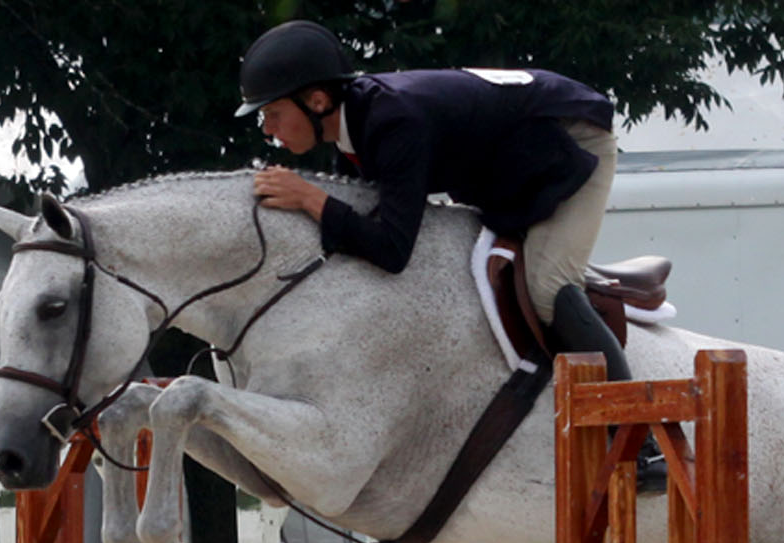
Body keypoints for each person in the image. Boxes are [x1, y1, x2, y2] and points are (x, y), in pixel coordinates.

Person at [238, 20, 633, 387]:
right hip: (518, 161)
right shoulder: (356, 133)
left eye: (272, 114)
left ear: (318, 101)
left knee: (547, 289)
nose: (268, 131)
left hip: (574, 141)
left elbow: (392, 250)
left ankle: (641, 435)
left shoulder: (394, 123)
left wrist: (309, 197)